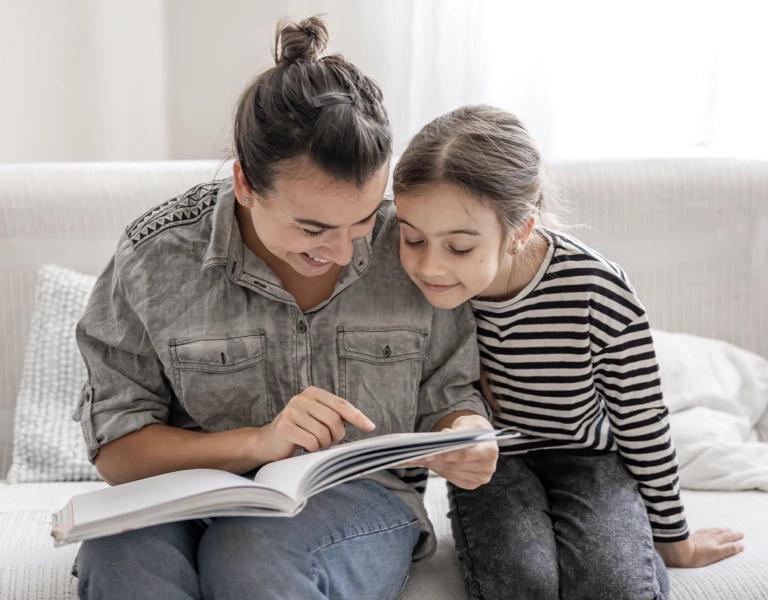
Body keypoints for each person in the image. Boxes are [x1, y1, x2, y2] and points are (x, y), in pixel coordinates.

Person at [71, 18, 498, 600]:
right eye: (314, 227)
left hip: (361, 501)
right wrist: (258, 442)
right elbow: (117, 451)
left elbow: (451, 400)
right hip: (179, 496)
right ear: (245, 184)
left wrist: (468, 435)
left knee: (251, 555)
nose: (346, 251)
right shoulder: (156, 258)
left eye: (365, 219)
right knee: (121, 557)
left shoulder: (416, 245)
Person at [394, 104, 746, 600]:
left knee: (615, 587)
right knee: (521, 583)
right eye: (412, 238)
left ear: (518, 232)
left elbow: (641, 417)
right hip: (497, 462)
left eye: (458, 247)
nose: (429, 265)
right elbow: (411, 392)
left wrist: (675, 539)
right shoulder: (410, 288)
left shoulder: (595, 287)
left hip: (589, 457)